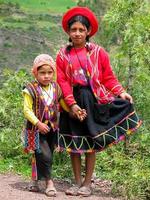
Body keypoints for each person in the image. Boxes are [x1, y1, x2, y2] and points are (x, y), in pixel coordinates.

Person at [56, 6, 142, 197]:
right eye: (74, 30)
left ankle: (87, 184)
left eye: (81, 30)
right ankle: (76, 182)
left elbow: (108, 77)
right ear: (69, 32)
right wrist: (72, 105)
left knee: (90, 142)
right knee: (74, 144)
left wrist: (121, 92)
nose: (77, 33)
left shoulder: (98, 52)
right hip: (71, 102)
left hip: (93, 100)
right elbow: (62, 81)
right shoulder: (63, 55)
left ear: (88, 32)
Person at [22, 54, 62, 197]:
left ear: (53, 73)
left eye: (49, 72)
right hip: (35, 128)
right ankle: (49, 183)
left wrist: (74, 111)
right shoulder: (30, 89)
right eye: (42, 73)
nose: (46, 76)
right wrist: (38, 123)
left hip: (52, 128)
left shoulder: (56, 88)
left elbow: (61, 105)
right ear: (35, 73)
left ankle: (34, 180)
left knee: (45, 154)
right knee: (43, 155)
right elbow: (27, 110)